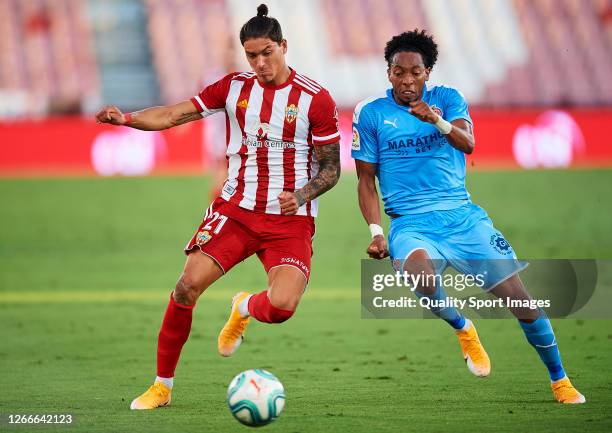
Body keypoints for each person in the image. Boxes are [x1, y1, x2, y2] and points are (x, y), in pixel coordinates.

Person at [96, 4, 341, 410]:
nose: (260, 63)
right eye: (252, 55)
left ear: (284, 46)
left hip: (289, 221)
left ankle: (243, 306)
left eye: (267, 53)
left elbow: (332, 170)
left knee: (281, 307)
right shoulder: (233, 88)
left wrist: (299, 196)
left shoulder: (315, 99)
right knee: (186, 287)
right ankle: (162, 386)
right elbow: (173, 114)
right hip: (237, 211)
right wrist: (127, 118)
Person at [351, 29, 584, 404]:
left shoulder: (448, 98)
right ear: (388, 72)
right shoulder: (371, 112)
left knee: (520, 301)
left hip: (462, 218)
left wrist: (436, 121)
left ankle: (560, 379)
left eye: (415, 72)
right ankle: (463, 327)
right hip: (411, 223)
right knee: (422, 279)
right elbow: (365, 180)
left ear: (428, 72)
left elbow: (469, 143)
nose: (407, 80)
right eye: (399, 72)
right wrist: (377, 231)